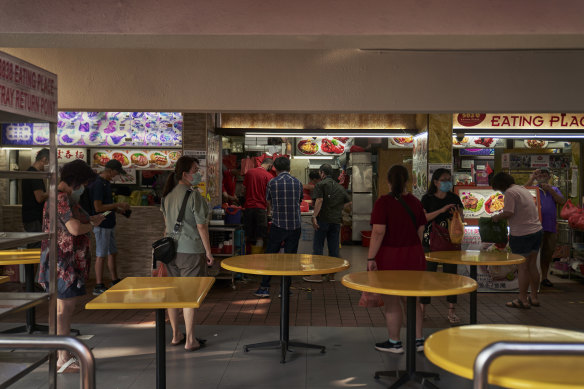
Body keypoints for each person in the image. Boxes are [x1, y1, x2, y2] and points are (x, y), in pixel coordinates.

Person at [38, 160, 105, 373]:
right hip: (64, 263)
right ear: (76, 181)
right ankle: (62, 359)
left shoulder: (59, 198)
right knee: (64, 311)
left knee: (62, 310)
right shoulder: (61, 199)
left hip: (60, 261)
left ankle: (62, 354)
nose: (83, 186)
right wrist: (92, 224)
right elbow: (74, 228)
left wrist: (91, 220)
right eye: (83, 182)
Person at [368, 165, 428, 354]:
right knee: (413, 300)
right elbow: (421, 231)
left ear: (388, 181)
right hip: (414, 255)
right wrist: (412, 247)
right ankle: (418, 341)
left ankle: (395, 342)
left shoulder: (383, 202)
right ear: (407, 181)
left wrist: (370, 257)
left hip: (390, 256)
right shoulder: (416, 202)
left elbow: (378, 232)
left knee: (392, 300)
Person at [161, 156, 214, 351]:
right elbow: (201, 227)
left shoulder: (167, 196)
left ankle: (176, 335)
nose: (198, 172)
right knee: (190, 295)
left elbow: (165, 227)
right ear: (185, 174)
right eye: (195, 169)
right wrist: (209, 252)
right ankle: (191, 340)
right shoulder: (193, 196)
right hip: (190, 251)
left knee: (174, 294)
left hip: (170, 252)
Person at [492, 172, 543, 309]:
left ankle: (522, 300)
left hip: (522, 234)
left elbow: (509, 212)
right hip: (536, 231)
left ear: (501, 185)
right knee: (532, 265)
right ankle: (534, 297)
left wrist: (497, 217)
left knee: (523, 267)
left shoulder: (509, 192)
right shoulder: (521, 189)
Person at [254, 156, 303, 298]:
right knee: (290, 258)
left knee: (270, 257)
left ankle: (264, 287)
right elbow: (299, 200)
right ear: (289, 167)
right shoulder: (298, 183)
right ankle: (285, 290)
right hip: (295, 226)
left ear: (275, 168)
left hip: (278, 225)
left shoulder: (272, 183)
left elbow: (268, 201)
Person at [420, 168, 463, 324]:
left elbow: (461, 218)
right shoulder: (427, 199)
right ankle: (423, 310)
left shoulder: (454, 198)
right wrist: (442, 210)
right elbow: (423, 218)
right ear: (436, 182)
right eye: (444, 179)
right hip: (430, 242)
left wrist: (457, 213)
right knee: (427, 276)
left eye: (449, 179)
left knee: (451, 277)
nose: (447, 182)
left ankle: (451, 311)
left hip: (450, 242)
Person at [303, 164, 351, 283]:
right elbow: (349, 204)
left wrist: (314, 216)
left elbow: (319, 200)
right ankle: (332, 276)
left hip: (323, 220)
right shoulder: (340, 187)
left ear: (322, 173)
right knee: (333, 248)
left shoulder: (321, 184)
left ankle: (317, 275)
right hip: (335, 221)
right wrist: (338, 209)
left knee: (318, 247)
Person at [91, 159, 130, 295]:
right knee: (101, 254)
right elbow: (98, 207)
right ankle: (98, 285)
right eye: (116, 172)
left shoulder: (105, 183)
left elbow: (105, 206)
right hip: (101, 224)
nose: (116, 175)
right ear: (111, 170)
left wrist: (118, 210)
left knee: (112, 252)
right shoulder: (98, 183)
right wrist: (117, 205)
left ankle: (114, 280)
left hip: (109, 223)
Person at [525, 168, 565, 288]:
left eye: (545, 173)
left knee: (547, 253)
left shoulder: (555, 189)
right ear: (536, 176)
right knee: (534, 254)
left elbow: (562, 201)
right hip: (535, 227)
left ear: (549, 177)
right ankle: (531, 279)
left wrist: (551, 191)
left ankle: (545, 278)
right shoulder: (532, 189)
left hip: (550, 226)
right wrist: (531, 178)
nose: (542, 175)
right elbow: (521, 191)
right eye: (539, 174)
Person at [242, 158, 273, 250]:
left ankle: (243, 254)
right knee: (260, 234)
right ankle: (258, 257)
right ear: (269, 166)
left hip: (248, 207)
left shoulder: (249, 172)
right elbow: (268, 198)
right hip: (261, 208)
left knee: (247, 233)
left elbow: (243, 190)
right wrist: (268, 212)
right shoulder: (269, 176)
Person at [21, 148, 50, 248]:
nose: (49, 166)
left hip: (30, 217)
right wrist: (53, 192)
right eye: (49, 162)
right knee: (35, 246)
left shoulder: (30, 171)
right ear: (44, 159)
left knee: (33, 245)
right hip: (34, 218)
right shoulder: (35, 174)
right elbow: (39, 197)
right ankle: (33, 264)